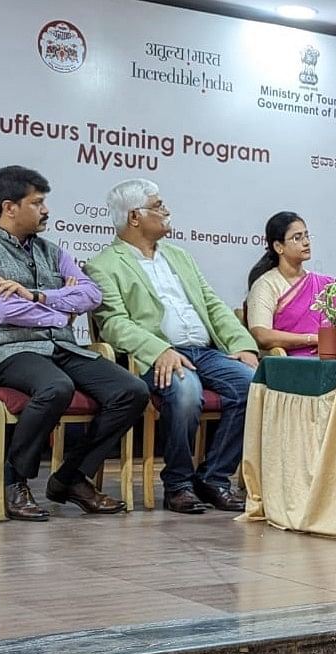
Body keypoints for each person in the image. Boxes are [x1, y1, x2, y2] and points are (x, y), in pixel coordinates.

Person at [0, 165, 148, 521]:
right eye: (37, 203)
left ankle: (70, 478)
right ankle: (13, 482)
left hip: (62, 348)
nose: (46, 210)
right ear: (9, 207)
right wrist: (59, 311)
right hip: (9, 352)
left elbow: (91, 295)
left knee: (132, 390)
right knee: (55, 387)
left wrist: (38, 296)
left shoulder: (51, 251)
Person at [85, 179, 258, 514]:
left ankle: (214, 478)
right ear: (135, 217)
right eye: (158, 205)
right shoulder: (103, 265)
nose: (166, 212)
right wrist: (158, 350)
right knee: (186, 392)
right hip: (156, 356)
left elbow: (213, 306)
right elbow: (114, 324)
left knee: (252, 384)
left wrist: (243, 346)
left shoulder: (180, 257)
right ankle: (178, 484)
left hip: (205, 351)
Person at [245, 211, 336, 356]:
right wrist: (313, 340)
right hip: (297, 362)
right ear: (279, 246)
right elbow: (261, 335)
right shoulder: (266, 285)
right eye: (297, 238)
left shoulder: (325, 285)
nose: (306, 242)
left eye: (306, 236)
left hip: (334, 356)